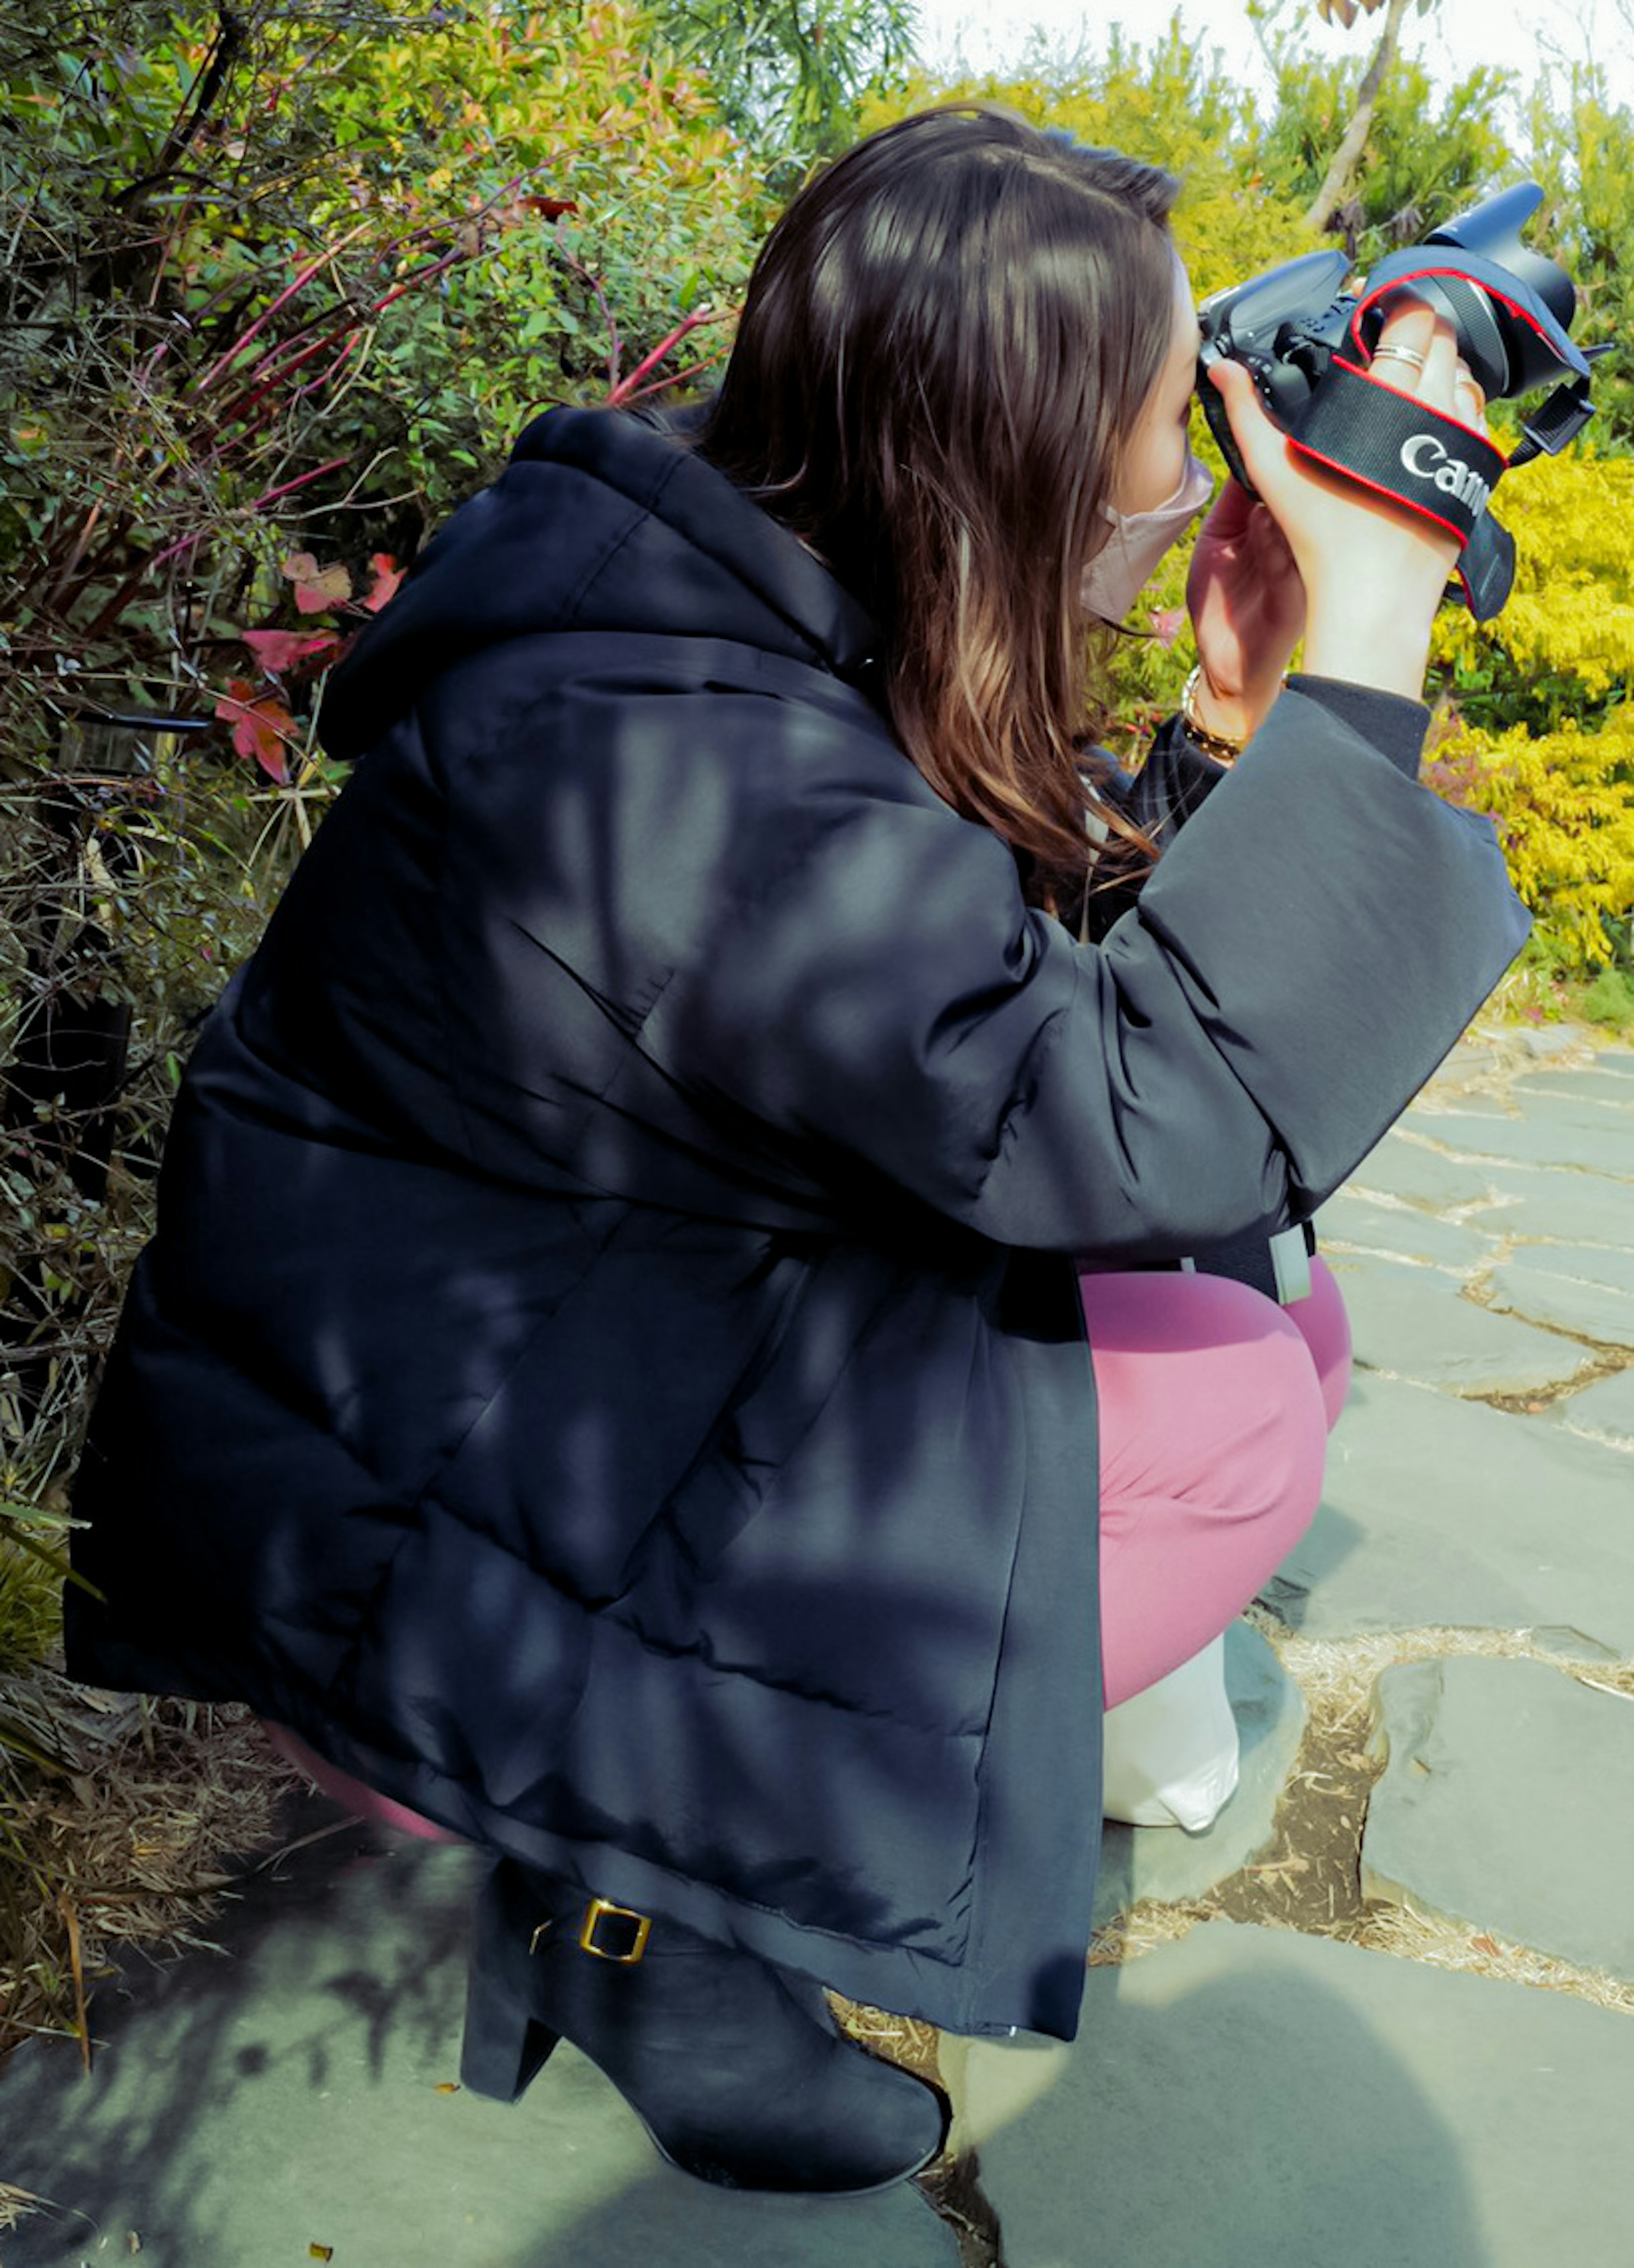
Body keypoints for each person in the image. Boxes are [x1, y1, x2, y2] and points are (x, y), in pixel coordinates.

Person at [66, 106, 1528, 2193]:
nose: (1192, 467)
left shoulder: (719, 646)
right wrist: (1373, 634)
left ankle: (669, 1841)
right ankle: (631, 1889)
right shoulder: (692, 761)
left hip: (530, 1409)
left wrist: (1216, 728)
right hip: (412, 1574)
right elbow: (1130, 1127)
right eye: (1164, 409)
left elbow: (998, 1046)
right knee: (1237, 1412)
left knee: (1257, 1311)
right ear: (1008, 445)